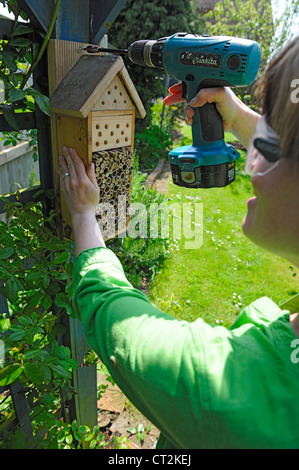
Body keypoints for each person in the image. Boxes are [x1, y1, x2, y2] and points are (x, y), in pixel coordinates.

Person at [59, 36, 299, 449]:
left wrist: (83, 215)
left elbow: (109, 309)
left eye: (271, 141)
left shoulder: (217, 388)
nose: (251, 162)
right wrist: (238, 116)